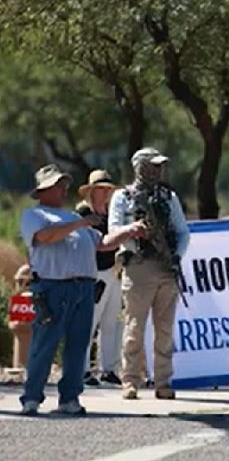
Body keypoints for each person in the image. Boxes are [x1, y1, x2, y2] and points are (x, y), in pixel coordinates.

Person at [19, 164, 146, 416]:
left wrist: (128, 231)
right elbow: (45, 238)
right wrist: (79, 225)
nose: (62, 189)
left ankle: (70, 398)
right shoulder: (34, 216)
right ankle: (32, 397)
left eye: (63, 184)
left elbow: (103, 243)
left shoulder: (75, 219)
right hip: (52, 287)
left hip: (83, 288)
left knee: (78, 345)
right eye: (57, 185)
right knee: (44, 345)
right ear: (43, 190)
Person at [109, 147, 190, 400]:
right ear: (140, 167)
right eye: (153, 165)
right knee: (134, 328)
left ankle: (163, 382)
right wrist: (133, 233)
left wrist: (176, 255)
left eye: (160, 166)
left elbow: (182, 231)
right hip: (139, 267)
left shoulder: (168, 196)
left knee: (164, 330)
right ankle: (130, 380)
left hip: (166, 269)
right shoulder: (123, 197)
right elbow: (114, 229)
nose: (158, 170)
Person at [77, 169, 123, 387]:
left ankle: (109, 369)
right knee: (89, 322)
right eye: (101, 190)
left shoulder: (112, 214)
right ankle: (83, 368)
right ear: (92, 191)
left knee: (112, 322)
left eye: (108, 190)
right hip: (94, 272)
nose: (105, 194)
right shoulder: (84, 214)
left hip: (114, 271)